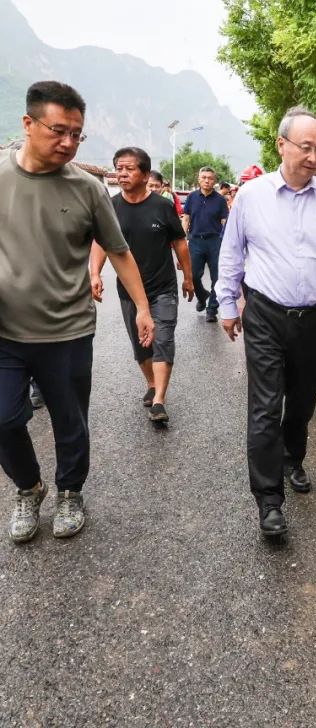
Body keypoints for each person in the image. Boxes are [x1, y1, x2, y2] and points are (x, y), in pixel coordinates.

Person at [216, 106, 316, 538]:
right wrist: (227, 304)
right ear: (282, 145)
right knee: (266, 408)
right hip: (266, 316)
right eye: (306, 147)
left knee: (302, 403)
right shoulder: (252, 198)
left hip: (312, 318)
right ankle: (269, 501)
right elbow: (232, 254)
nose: (313, 157)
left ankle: (293, 457)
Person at [0, 81, 154, 543]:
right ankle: (29, 488)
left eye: (77, 135)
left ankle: (70, 490)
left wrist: (143, 307)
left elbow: (119, 251)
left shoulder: (87, 189)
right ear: (28, 124)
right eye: (58, 131)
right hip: (7, 332)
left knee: (70, 421)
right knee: (4, 418)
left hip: (67, 330)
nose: (68, 143)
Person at [90, 147, 194, 423]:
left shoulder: (162, 206)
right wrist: (95, 273)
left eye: (129, 168)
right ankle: (151, 382)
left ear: (145, 174)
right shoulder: (110, 207)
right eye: (118, 168)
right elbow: (101, 243)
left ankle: (159, 399)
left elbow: (179, 242)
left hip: (163, 288)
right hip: (129, 292)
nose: (122, 174)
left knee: (163, 339)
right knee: (141, 346)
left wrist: (188, 276)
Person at [182, 166, 228, 323]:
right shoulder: (192, 197)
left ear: (214, 181)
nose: (207, 180)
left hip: (215, 242)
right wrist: (182, 239)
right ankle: (202, 296)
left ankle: (212, 309)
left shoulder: (221, 200)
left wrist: (228, 243)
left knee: (217, 277)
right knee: (193, 275)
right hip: (195, 241)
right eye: (204, 177)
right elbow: (186, 219)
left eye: (210, 178)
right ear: (199, 179)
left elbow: (224, 222)